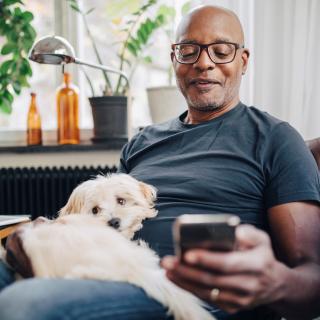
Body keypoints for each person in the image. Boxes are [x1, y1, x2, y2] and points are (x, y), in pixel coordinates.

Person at [0, 4, 319, 320]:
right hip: (111, 272)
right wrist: (52, 233)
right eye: (188, 50)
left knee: (26, 304)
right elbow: (108, 223)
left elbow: (312, 277)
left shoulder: (276, 139)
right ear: (174, 59)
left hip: (187, 296)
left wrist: (274, 283)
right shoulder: (141, 142)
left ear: (243, 61)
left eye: (221, 51)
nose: (204, 63)